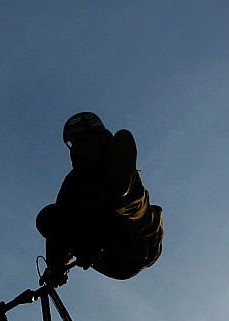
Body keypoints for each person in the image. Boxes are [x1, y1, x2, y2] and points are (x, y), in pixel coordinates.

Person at [36, 112, 164, 285]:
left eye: (85, 140)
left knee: (117, 200)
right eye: (76, 143)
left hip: (141, 242)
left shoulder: (115, 161)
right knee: (50, 216)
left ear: (100, 139)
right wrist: (55, 267)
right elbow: (58, 227)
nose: (79, 147)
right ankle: (89, 244)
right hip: (114, 259)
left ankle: (119, 205)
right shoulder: (73, 183)